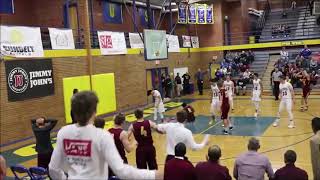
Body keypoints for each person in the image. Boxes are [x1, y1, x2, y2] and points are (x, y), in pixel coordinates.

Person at [49, 91, 161, 179]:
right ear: (94, 112)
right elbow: (121, 171)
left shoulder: (63, 133)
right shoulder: (101, 136)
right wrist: (154, 175)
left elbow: (53, 169)